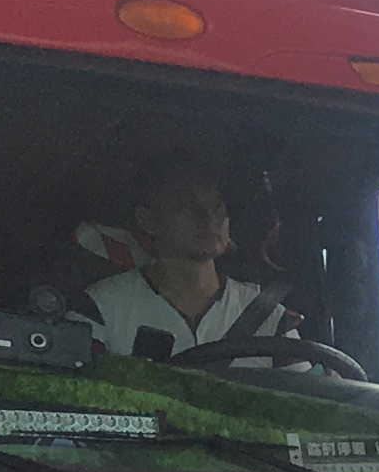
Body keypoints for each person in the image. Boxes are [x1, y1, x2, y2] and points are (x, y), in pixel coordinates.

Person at [84, 148, 268, 358]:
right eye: (186, 207)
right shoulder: (100, 309)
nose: (208, 218)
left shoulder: (270, 317)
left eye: (217, 207)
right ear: (148, 220)